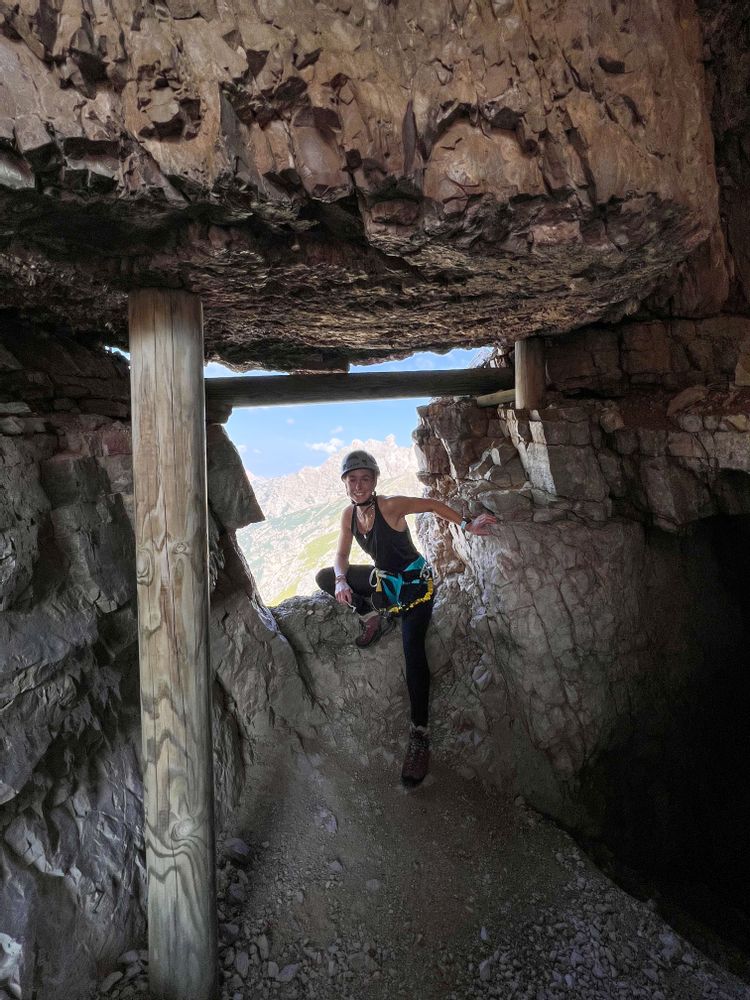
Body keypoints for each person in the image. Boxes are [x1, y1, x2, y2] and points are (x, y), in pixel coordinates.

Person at [315, 449, 497, 787]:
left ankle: (420, 733)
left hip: (414, 585)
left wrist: (467, 524)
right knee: (325, 577)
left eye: (364, 479)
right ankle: (371, 615)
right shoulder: (349, 516)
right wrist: (341, 579)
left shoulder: (389, 506)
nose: (358, 486)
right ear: (345, 483)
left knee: (412, 648)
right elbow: (341, 555)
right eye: (352, 480)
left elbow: (429, 505)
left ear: (374, 482)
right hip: (386, 579)